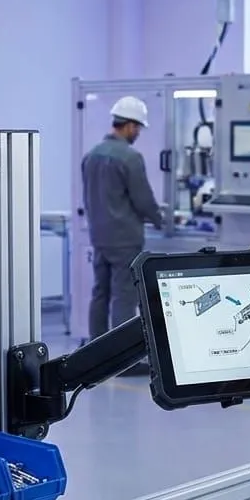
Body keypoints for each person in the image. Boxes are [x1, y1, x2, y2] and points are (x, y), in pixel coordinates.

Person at [81, 96, 164, 340]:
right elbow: (143, 199)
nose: (137, 132)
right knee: (124, 297)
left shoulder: (91, 155)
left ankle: (94, 351)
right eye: (137, 127)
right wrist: (162, 220)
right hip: (125, 240)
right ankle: (122, 360)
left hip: (99, 237)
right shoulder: (130, 157)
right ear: (129, 125)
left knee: (100, 293)